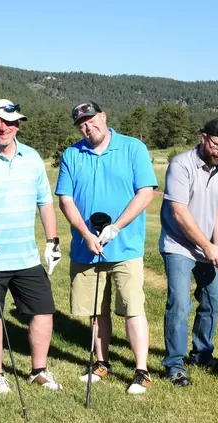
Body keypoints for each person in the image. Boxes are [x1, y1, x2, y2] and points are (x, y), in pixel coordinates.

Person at [0, 99, 63, 394]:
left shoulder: (32, 158)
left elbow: (44, 201)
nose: (4, 128)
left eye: (11, 122)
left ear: (18, 125)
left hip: (26, 255)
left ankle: (39, 370)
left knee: (43, 311)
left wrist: (52, 240)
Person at [56, 101, 157, 394]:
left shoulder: (132, 148)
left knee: (132, 308)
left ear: (104, 116)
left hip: (125, 246)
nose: (88, 127)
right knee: (96, 312)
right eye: (82, 124)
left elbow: (146, 192)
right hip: (86, 248)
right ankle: (102, 363)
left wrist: (116, 227)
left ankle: (141, 370)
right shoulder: (72, 154)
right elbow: (66, 200)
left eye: (91, 120)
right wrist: (87, 234)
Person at [159, 118, 218, 387]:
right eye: (217, 145)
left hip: (210, 248)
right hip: (179, 245)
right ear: (204, 138)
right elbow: (179, 213)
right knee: (180, 303)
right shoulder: (181, 165)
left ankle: (202, 354)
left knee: (212, 301)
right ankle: (175, 364)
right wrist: (207, 246)